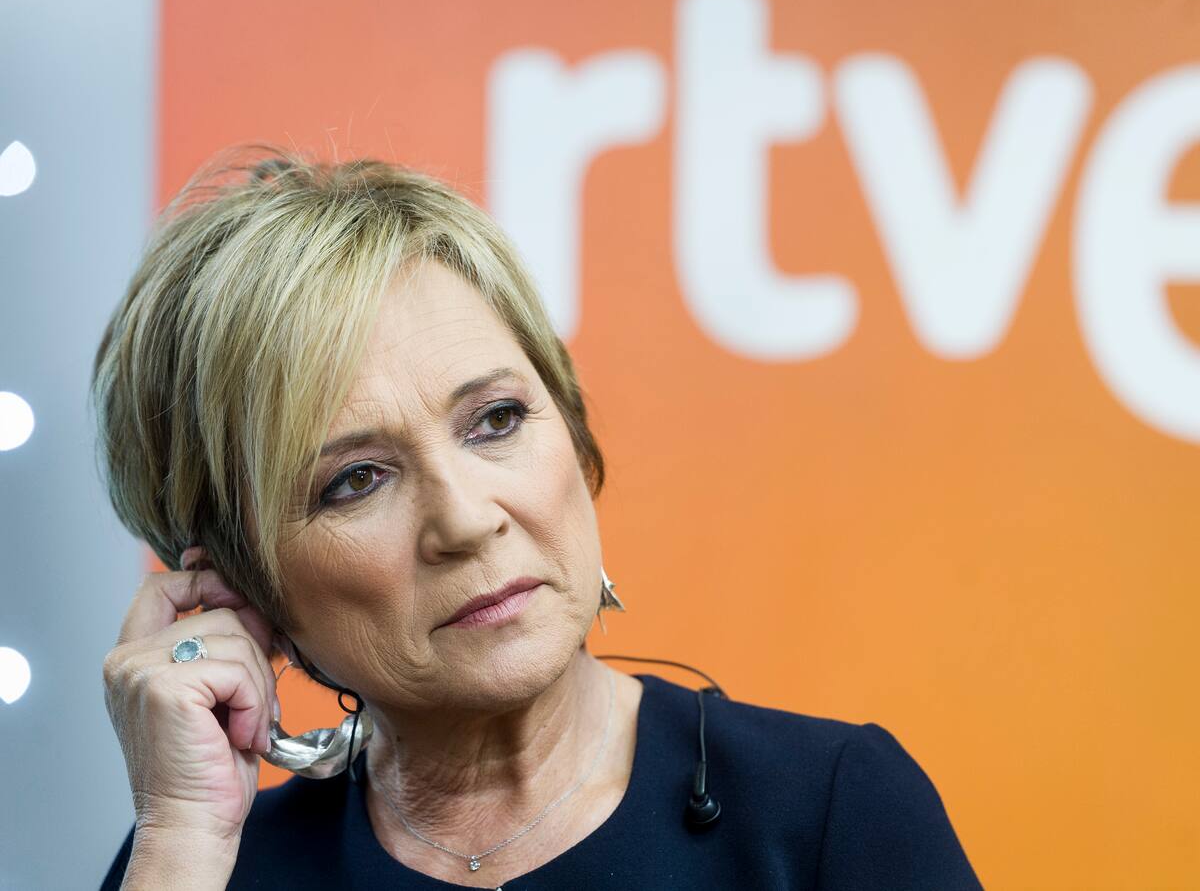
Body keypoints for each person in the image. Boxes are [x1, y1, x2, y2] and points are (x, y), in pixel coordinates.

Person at [93, 146, 982, 890]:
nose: (467, 520)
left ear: (573, 428)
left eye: (495, 421)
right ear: (240, 585)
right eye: (356, 480)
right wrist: (179, 837)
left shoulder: (832, 811)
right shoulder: (198, 863)